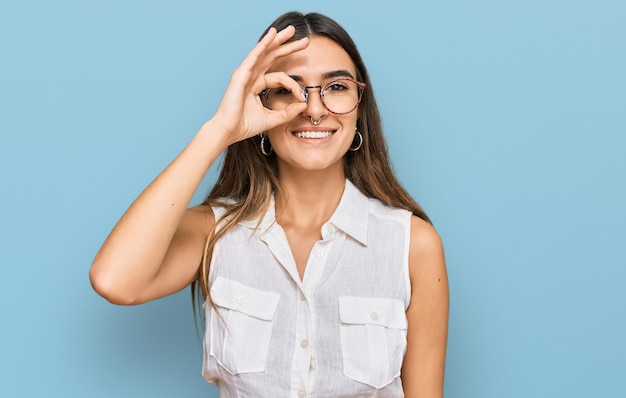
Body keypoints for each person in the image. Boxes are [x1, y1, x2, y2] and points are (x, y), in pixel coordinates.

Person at [90, 11, 449, 398]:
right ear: (260, 105)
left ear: (361, 105)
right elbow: (115, 281)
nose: (314, 110)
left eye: (337, 87)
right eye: (288, 90)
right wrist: (220, 131)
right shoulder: (215, 232)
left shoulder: (412, 244)